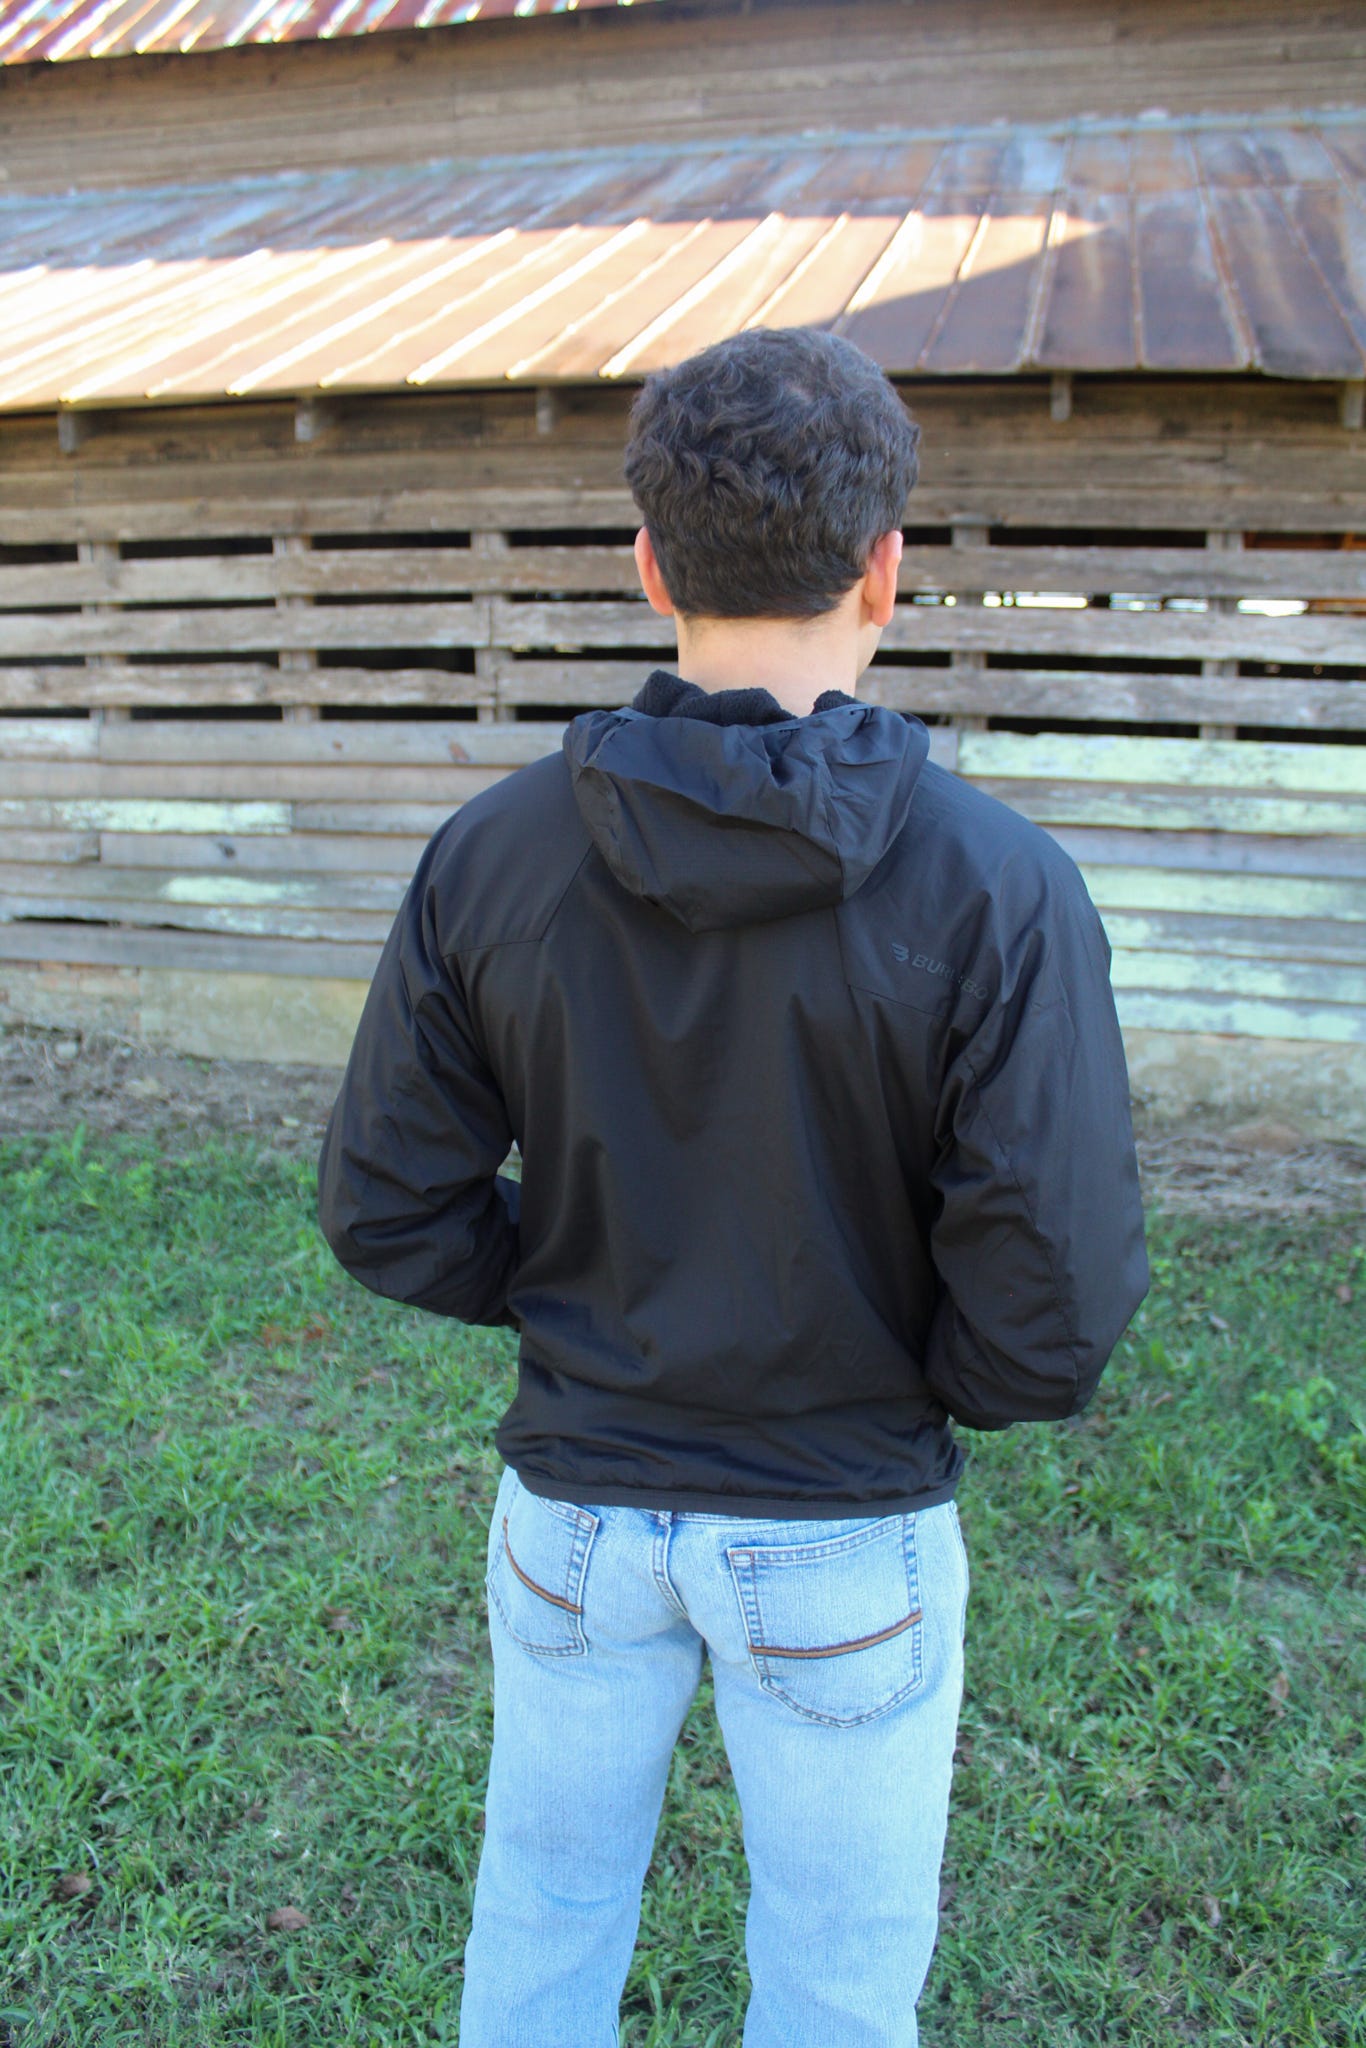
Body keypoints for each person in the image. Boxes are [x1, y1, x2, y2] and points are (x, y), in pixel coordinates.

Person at [316, 325, 1149, 2048]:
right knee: (837, 1978)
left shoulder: (491, 853)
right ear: (884, 568)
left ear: (650, 564)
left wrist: (584, 1283)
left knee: (541, 1917)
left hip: (577, 1519)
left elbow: (388, 1207)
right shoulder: (1002, 887)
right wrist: (900, 1364)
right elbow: (1048, 1308)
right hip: (843, 1527)